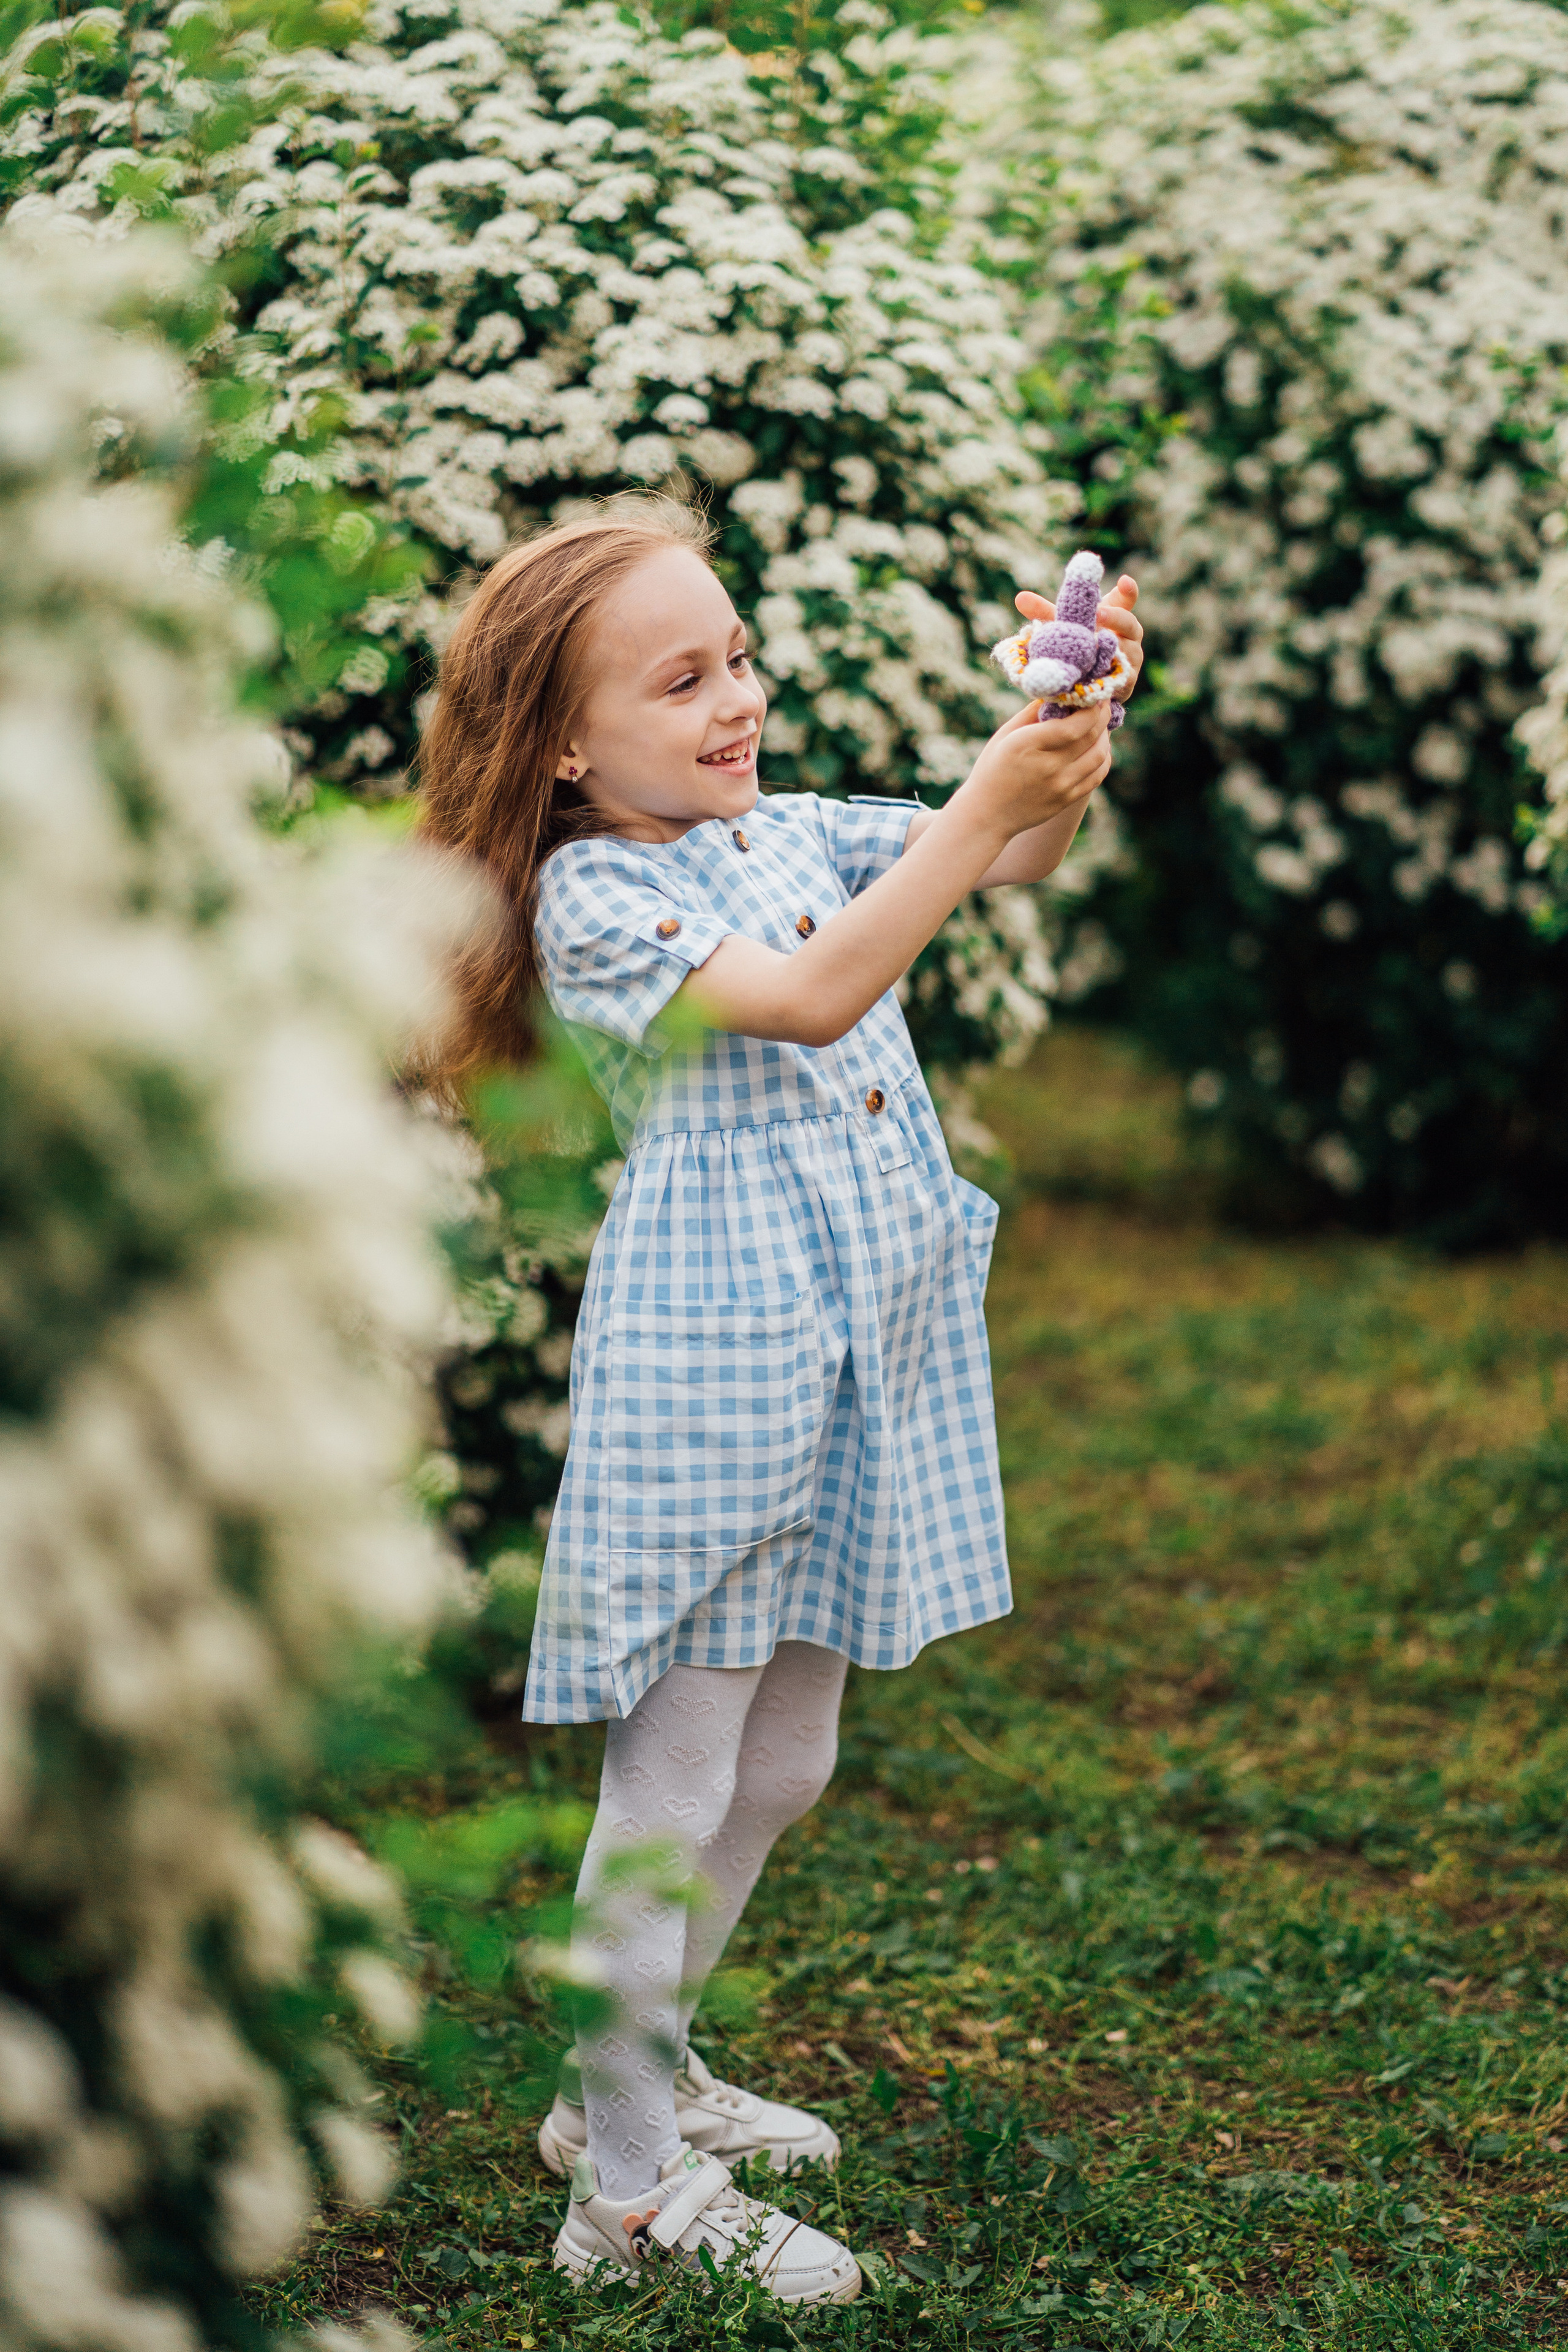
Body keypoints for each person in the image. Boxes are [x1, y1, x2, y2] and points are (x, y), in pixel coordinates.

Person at [417, 500, 1142, 2302]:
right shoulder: (596, 896)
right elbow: (818, 994)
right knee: (671, 1786)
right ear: (564, 745)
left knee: (789, 1760)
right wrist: (986, 800)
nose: (737, 698)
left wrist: (1068, 731)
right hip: (718, 1374)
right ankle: (624, 2203)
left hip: (854, 1353)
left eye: (736, 657)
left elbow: (1016, 854)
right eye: (682, 681)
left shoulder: (787, 826)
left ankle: (625, 2089)